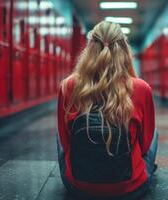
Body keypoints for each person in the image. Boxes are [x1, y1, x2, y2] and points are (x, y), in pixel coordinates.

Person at [56, 21, 158, 200]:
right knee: (153, 132)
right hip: (130, 188)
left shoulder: (68, 86)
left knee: (60, 134)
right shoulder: (141, 88)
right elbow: (145, 145)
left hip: (79, 188)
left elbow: (66, 144)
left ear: (89, 50)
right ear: (124, 50)